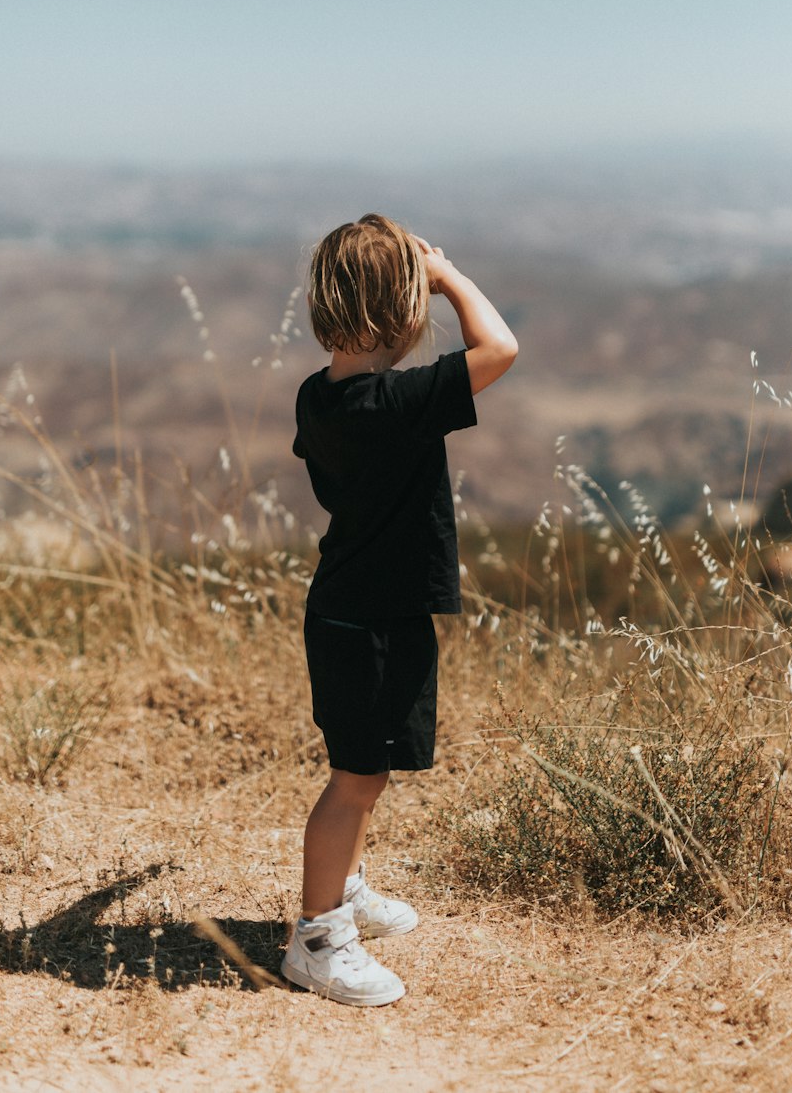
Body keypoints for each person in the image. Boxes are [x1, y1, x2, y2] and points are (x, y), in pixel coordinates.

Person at [281, 213, 518, 1006]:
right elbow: (500, 349)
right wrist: (449, 277)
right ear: (404, 309)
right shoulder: (399, 402)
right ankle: (316, 939)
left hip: (352, 609)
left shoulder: (321, 398)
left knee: (366, 775)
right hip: (371, 620)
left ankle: (342, 891)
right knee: (353, 782)